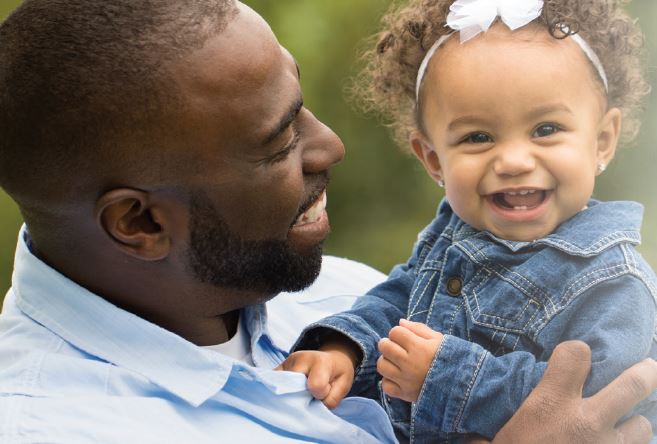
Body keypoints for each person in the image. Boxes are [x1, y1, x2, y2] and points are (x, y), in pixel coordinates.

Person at [0, 0, 655, 443]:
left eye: (302, 107)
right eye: (277, 141)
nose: (331, 147)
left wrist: (342, 343)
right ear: (138, 223)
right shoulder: (57, 426)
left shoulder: (332, 293)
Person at [280, 0, 657, 441]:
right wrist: (344, 349)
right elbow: (400, 300)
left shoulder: (613, 282)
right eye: (478, 137)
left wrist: (446, 377)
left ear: (602, 141)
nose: (514, 160)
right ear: (434, 159)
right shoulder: (455, 232)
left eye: (546, 129)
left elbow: (599, 404)